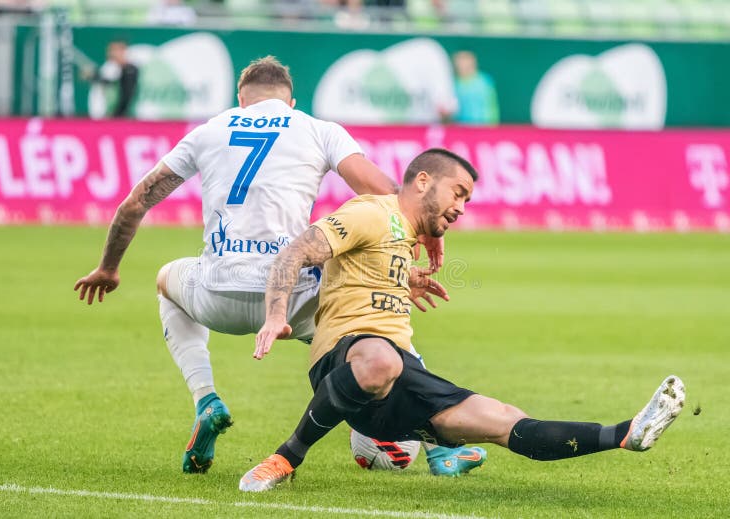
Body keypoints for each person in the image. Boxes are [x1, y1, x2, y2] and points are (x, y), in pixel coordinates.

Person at [73, 56, 450, 475]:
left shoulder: (209, 130)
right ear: (291, 102)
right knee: (379, 326)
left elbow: (136, 201)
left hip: (218, 297)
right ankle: (440, 448)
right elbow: (386, 194)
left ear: (241, 100)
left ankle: (206, 400)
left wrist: (108, 268)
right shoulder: (317, 129)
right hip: (299, 301)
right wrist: (423, 236)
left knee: (167, 282)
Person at [239, 148, 686, 491]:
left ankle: (625, 434)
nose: (461, 208)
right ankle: (285, 459)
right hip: (347, 357)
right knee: (382, 360)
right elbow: (296, 252)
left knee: (508, 421)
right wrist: (275, 315)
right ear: (422, 181)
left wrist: (403, 279)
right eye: (459, 193)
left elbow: (369, 270)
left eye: (468, 200)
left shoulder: (404, 237)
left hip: (398, 383)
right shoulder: (371, 212)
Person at [82, 41, 139, 118]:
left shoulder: (130, 69)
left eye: (116, 51)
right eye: (111, 51)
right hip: (106, 113)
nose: (112, 54)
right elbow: (105, 80)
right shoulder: (110, 66)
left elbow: (126, 95)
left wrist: (118, 114)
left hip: (124, 114)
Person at [445, 51, 499, 125]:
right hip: (459, 127)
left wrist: (490, 125)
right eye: (460, 62)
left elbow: (491, 107)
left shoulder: (484, 81)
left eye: (465, 61)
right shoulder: (453, 83)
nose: (462, 65)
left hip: (482, 126)